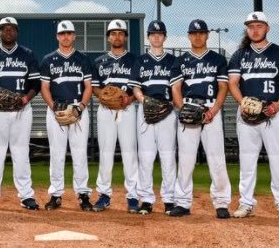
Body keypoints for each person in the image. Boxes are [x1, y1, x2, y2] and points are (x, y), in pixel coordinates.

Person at [227, 12, 279, 221]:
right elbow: (233, 82)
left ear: (267, 28)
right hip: (247, 115)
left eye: (259, 26)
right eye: (251, 26)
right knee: (247, 160)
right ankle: (246, 202)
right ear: (247, 29)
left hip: (273, 113)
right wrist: (242, 103)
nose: (255, 30)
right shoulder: (240, 54)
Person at [166, 19, 231, 219]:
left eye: (201, 33)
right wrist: (182, 108)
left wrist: (214, 110)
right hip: (189, 110)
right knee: (186, 160)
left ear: (207, 35)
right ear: (188, 36)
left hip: (212, 109)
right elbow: (175, 89)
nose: (197, 36)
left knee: (217, 159)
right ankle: (183, 202)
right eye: (194, 33)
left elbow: (223, 87)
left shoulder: (218, 59)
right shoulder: (181, 61)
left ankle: (221, 203)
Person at [0, 17, 40, 211]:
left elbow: (35, 84)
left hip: (22, 109)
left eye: (12, 29)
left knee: (21, 151)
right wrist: (0, 95)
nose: (8, 32)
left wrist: (24, 100)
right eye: (5, 29)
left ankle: (26, 195)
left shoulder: (27, 54)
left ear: (17, 32)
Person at [40, 20, 95, 211]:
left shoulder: (83, 59)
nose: (65, 37)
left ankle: (83, 194)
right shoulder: (48, 60)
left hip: (78, 109)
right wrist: (54, 106)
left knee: (80, 153)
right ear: (57, 37)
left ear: (74, 36)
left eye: (69, 33)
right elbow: (44, 87)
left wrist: (80, 107)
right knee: (57, 153)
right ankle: (56, 194)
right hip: (57, 110)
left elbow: (89, 87)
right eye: (62, 34)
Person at [91, 19, 140, 212]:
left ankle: (133, 196)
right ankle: (104, 194)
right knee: (105, 152)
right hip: (106, 111)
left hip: (127, 109)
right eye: (113, 33)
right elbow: (95, 87)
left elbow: (138, 87)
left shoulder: (135, 60)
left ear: (126, 37)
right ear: (108, 37)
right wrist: (103, 97)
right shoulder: (99, 61)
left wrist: (130, 98)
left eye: (121, 33)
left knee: (130, 153)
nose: (117, 36)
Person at [130, 20, 178, 215]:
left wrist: (172, 105)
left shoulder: (173, 60)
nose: (156, 37)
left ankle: (169, 199)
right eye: (153, 34)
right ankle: (147, 199)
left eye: (160, 34)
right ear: (148, 37)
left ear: (165, 37)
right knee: (146, 157)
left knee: (168, 157)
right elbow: (135, 87)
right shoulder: (140, 61)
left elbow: (177, 88)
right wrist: (143, 101)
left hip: (167, 112)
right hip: (146, 112)